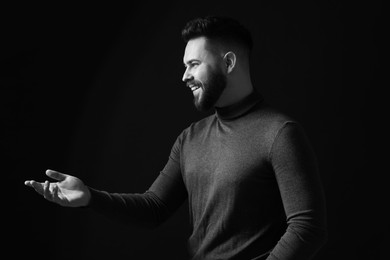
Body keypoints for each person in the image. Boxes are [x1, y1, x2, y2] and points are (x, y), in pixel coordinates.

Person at [25, 16, 327, 259]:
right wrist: (90, 197)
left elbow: (308, 227)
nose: (184, 76)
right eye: (185, 66)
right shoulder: (190, 138)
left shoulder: (279, 133)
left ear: (229, 63)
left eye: (194, 64)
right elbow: (154, 207)